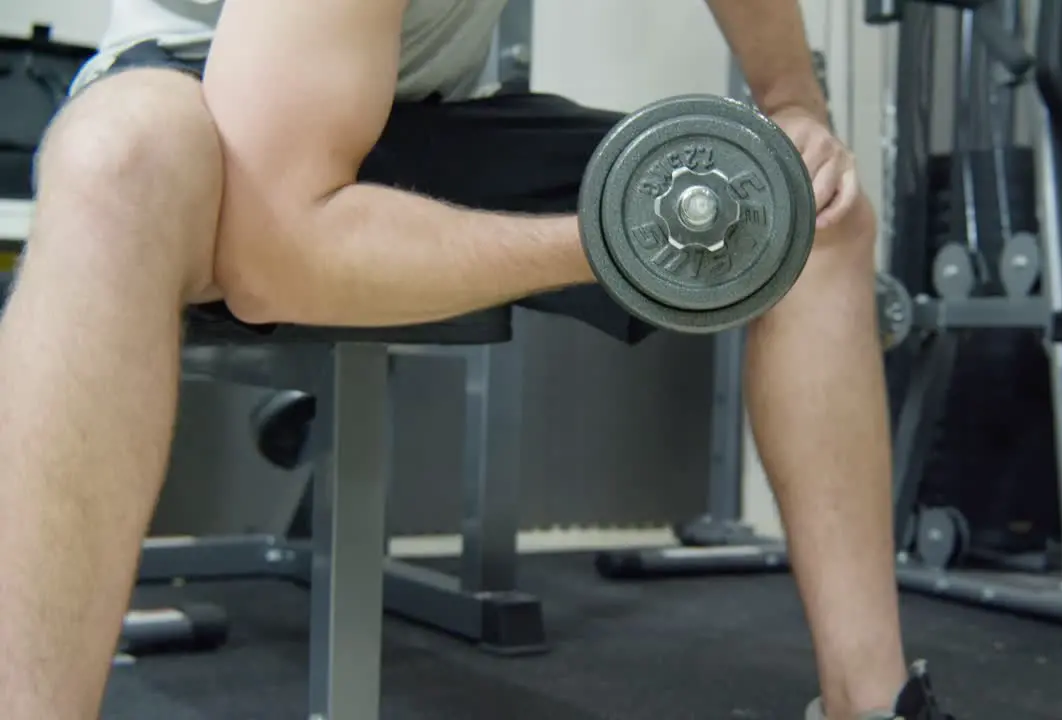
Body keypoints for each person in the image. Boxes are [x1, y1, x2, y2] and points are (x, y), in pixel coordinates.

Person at [0, 1, 953, 718]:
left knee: (810, 216)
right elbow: (275, 262)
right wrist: (620, 240)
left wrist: (792, 105)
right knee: (119, 158)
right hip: (203, 102)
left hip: (427, 110)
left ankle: (870, 702)